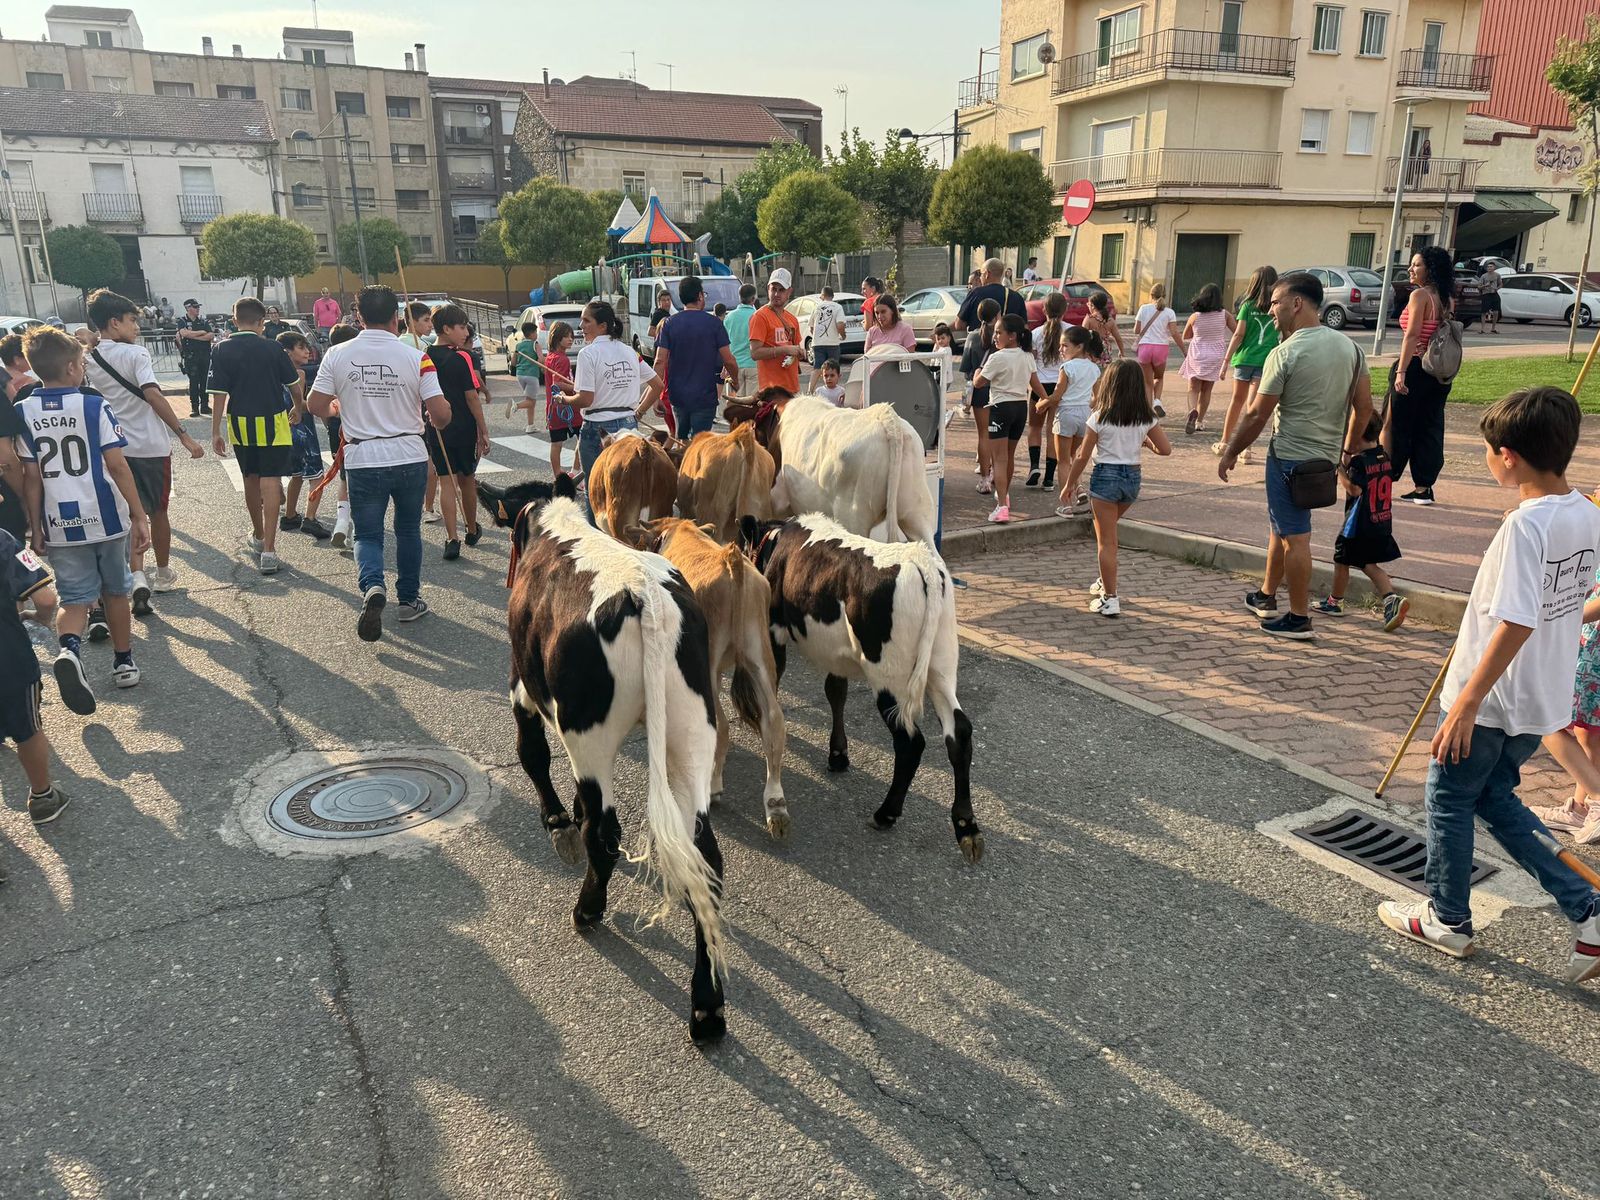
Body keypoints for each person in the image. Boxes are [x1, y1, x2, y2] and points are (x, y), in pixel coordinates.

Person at [1378, 387, 1600, 982]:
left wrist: (1467, 702)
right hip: (1540, 697)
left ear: (1508, 456)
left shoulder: (1523, 529)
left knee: (1449, 798)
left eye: (1485, 451)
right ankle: (1589, 908)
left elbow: (1520, 617)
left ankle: (1447, 915)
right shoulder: (1585, 511)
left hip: (1494, 698)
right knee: (1494, 800)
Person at [1220, 271, 1373, 641]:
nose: (1271, 310)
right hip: (1323, 460)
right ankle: (1266, 595)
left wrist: (1230, 451)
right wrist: (1347, 449)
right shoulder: (1351, 349)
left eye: (1275, 302)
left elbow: (1257, 413)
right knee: (1283, 528)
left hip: (1289, 458)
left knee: (1296, 538)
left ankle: (1300, 616)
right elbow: (1364, 407)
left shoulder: (1284, 353)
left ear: (1297, 303)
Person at [14, 326, 151, 713]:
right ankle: (123, 661)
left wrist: (35, 526)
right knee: (116, 591)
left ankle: (70, 650)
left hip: (59, 520)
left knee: (74, 597)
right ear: (74, 366)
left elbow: (32, 476)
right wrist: (139, 514)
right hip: (104, 516)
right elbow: (117, 465)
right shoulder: (94, 406)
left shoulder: (23, 411)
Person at [306, 285, 450, 642]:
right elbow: (441, 414)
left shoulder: (337, 353)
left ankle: (372, 585)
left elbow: (315, 403)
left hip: (363, 456)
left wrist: (334, 413)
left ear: (358, 317)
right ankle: (409, 600)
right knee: (407, 530)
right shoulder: (417, 356)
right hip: (409, 455)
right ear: (396, 318)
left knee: (368, 533)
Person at [83, 288, 203, 612]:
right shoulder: (137, 355)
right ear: (114, 322)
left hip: (113, 449)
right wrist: (183, 435)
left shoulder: (89, 358)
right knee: (158, 512)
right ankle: (162, 573)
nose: (136, 326)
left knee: (130, 514)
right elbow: (153, 394)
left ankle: (137, 576)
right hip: (150, 446)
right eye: (132, 320)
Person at [1058, 360, 1172, 617]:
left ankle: (1110, 597)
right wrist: (1146, 444)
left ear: (1109, 384)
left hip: (1105, 478)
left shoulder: (1099, 417)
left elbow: (1082, 456)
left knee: (1106, 542)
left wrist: (1069, 483)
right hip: (1132, 479)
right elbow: (1166, 449)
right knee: (1107, 536)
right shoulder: (1146, 417)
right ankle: (1104, 581)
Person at [206, 297, 304, 576]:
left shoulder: (221, 349)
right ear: (262, 322)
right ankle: (270, 551)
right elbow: (295, 385)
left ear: (234, 320)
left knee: (250, 480)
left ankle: (259, 536)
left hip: (241, 424)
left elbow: (219, 395)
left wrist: (215, 431)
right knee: (271, 482)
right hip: (274, 422)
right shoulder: (273, 348)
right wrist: (297, 408)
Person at [0, 524, 69, 838]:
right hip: (8, 659)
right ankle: (42, 796)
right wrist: (40, 619)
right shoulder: (3, 541)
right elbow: (44, 598)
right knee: (27, 729)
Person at [1311, 413, 1409, 631]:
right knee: (1366, 563)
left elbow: (1354, 489)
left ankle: (1335, 601)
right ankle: (1390, 598)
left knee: (1341, 559)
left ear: (1358, 436)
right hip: (1379, 518)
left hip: (1357, 524)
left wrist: (1339, 468)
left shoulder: (1359, 462)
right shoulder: (1383, 456)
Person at [1532, 550, 1600, 846]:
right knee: (1588, 732)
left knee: (1548, 719)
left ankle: (1596, 801)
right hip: (1588, 644)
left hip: (1592, 650)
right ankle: (1581, 807)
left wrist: (1568, 618)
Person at [566, 300, 661, 505]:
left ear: (603, 326)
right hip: (628, 425)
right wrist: (639, 412)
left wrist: (562, 399)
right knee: (627, 493)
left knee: (596, 493)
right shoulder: (630, 351)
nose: (581, 326)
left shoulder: (587, 353)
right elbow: (657, 385)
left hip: (597, 428)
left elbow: (585, 399)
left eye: (586, 321)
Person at [1384, 245, 1456, 506]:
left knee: (1395, 423)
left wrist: (1401, 371)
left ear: (1430, 269)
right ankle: (1424, 486)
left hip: (1415, 365)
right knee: (1430, 426)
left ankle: (1384, 478)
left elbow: (1412, 335)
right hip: (1439, 372)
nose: (1410, 269)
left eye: (1416, 265)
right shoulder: (1447, 298)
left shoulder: (1420, 296)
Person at [420, 306, 490, 561]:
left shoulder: (424, 356)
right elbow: (472, 398)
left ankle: (452, 537)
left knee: (445, 481)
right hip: (462, 426)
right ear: (447, 329)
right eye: (461, 327)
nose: (465, 331)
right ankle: (471, 529)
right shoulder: (462, 358)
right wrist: (483, 431)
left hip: (436, 425)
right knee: (467, 480)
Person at [972, 313, 1047, 524]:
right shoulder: (1027, 356)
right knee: (1009, 456)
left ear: (1012, 336)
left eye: (999, 332)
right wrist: (1047, 399)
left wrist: (978, 370)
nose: (995, 336)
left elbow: (979, 383)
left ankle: (1002, 506)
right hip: (1020, 407)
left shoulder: (997, 357)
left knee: (999, 460)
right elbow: (1035, 383)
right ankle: (1004, 496)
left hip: (1000, 407)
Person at [653, 274, 736, 438]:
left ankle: (683, 462)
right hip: (705, 396)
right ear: (699, 296)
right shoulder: (714, 323)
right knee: (701, 443)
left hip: (677, 396)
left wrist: (656, 396)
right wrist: (736, 380)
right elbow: (729, 360)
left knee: (681, 439)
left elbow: (660, 361)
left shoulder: (669, 324)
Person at [1216, 266, 1279, 463]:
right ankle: (1247, 449)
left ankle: (1225, 441)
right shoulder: (1276, 308)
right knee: (1253, 406)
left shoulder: (1247, 306)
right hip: (1265, 361)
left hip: (1244, 359)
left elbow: (1238, 334)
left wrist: (1226, 361)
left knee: (1236, 401)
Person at [276, 331, 331, 540]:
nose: (307, 351)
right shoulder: (297, 374)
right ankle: (310, 518)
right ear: (287, 353)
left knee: (297, 474)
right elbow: (300, 406)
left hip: (282, 430)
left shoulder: (271, 375)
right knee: (316, 475)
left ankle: (290, 515)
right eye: (301, 347)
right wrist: (328, 404)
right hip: (301, 429)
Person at [1049, 325, 1102, 515]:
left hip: (1066, 414)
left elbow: (1057, 395)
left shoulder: (1067, 367)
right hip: (1084, 415)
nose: (1061, 350)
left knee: (1063, 461)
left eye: (1065, 346)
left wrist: (1041, 404)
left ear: (1079, 347)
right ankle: (1079, 488)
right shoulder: (1094, 367)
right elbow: (1098, 396)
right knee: (1074, 456)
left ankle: (1065, 504)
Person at [1178, 283, 1237, 435]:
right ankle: (1199, 421)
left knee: (1193, 388)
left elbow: (1186, 335)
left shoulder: (1195, 316)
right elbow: (1237, 332)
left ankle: (1192, 410)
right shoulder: (1225, 315)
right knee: (1207, 390)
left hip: (1197, 354)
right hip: (1215, 355)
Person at [1027, 292, 1072, 490]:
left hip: (1039, 385)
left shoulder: (1036, 333)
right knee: (1052, 432)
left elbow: (1032, 361)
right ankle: (1049, 478)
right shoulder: (1071, 332)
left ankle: (1034, 466)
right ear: (1065, 310)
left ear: (1043, 310)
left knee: (1034, 428)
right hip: (1060, 387)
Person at [322, 323, 359, 549]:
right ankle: (356, 528)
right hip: (358, 428)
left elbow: (319, 402)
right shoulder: (356, 362)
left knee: (344, 478)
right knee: (360, 480)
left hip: (337, 426)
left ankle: (341, 523)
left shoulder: (330, 362)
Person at [961, 297, 1001, 495]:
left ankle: (985, 479)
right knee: (999, 436)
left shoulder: (973, 337)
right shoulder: (1003, 336)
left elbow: (966, 368)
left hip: (980, 391)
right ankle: (997, 474)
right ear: (998, 315)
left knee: (983, 435)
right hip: (1001, 391)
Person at [749, 268, 804, 395]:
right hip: (771, 391)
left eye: (781, 290)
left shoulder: (792, 319)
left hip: (792, 388)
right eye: (774, 289)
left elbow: (796, 349)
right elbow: (755, 353)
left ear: (789, 291)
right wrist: (785, 350)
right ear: (768, 289)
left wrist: (800, 352)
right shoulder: (760, 317)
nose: (776, 294)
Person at [1133, 283, 1180, 417]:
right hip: (1161, 348)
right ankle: (1157, 401)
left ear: (1151, 295)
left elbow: (1136, 330)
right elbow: (1174, 333)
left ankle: (1148, 411)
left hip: (1145, 347)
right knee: (1159, 377)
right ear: (1165, 296)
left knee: (1147, 382)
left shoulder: (1143, 308)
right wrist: (1183, 349)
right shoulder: (1170, 312)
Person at [542, 321, 580, 478]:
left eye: (571, 336)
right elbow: (557, 383)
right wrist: (578, 388)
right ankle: (576, 471)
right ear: (557, 338)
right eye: (566, 336)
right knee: (583, 438)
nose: (570, 339)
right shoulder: (562, 359)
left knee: (556, 443)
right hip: (568, 407)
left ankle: (558, 475)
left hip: (553, 408)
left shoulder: (550, 357)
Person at [954, 258, 1026, 332]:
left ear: (987, 274)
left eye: (981, 274)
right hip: (1007, 342)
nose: (980, 278)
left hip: (979, 341)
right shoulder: (1017, 297)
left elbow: (959, 325)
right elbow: (1025, 327)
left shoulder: (976, 293)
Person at [174, 298, 214, 418]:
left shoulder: (203, 321)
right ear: (188, 308)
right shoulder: (182, 321)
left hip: (204, 355)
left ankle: (205, 406)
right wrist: (201, 333)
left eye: (198, 307)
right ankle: (194, 407)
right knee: (194, 382)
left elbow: (210, 335)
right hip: (191, 357)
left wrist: (193, 336)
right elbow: (184, 334)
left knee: (204, 382)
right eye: (195, 307)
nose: (198, 309)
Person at [723, 283, 760, 398]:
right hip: (753, 365)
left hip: (734, 365)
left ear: (739, 297)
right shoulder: (757, 316)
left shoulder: (729, 317)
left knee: (735, 405)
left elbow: (724, 343)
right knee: (752, 404)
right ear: (753, 299)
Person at [511, 321, 543, 429]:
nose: (537, 335)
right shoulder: (535, 344)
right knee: (531, 401)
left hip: (520, 375)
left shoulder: (518, 346)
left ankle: (530, 425)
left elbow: (513, 363)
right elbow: (541, 360)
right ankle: (515, 406)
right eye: (536, 332)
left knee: (530, 400)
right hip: (532, 375)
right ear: (533, 333)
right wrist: (540, 363)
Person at [1081, 291, 1124, 366]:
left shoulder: (1089, 319)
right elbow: (1118, 338)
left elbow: (1082, 337)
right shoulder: (1110, 320)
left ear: (1092, 306)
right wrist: (1121, 351)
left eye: (1088, 304)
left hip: (1092, 350)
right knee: (1105, 370)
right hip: (1106, 349)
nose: (1087, 306)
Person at [811, 285, 846, 369]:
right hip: (832, 343)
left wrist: (817, 337)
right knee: (833, 369)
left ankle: (811, 382)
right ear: (832, 296)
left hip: (818, 343)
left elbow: (811, 328)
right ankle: (832, 382)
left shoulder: (816, 307)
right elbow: (840, 325)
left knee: (817, 368)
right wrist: (843, 335)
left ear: (822, 295)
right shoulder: (838, 307)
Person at [1477, 261, 1502, 335]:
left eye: (1491, 267)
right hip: (1486, 294)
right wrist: (1485, 286)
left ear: (1494, 268)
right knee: (1484, 311)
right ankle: (1482, 329)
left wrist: (1497, 288)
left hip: (1494, 293)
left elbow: (1501, 284)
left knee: (1496, 311)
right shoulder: (1484, 276)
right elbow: (1479, 286)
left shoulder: (1497, 275)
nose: (1489, 268)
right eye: (1488, 267)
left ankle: (1493, 328)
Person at [648, 287, 674, 354]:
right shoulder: (658, 313)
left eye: (668, 299)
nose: (667, 302)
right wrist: (665, 335)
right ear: (659, 302)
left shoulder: (667, 314)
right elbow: (650, 332)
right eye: (664, 300)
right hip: (660, 350)